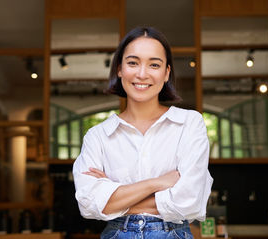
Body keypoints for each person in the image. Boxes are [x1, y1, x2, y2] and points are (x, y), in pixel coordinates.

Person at [72, 26, 213, 239]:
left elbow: (189, 201)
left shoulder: (189, 124)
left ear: (166, 73)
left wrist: (114, 196)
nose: (142, 74)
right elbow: (89, 204)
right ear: (120, 69)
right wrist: (156, 183)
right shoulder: (97, 136)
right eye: (133, 62)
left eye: (154, 64)